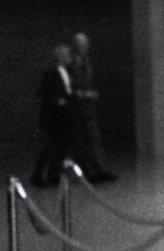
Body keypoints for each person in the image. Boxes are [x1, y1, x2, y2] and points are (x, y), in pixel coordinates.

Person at [68, 32, 118, 182]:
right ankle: (86, 172)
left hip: (89, 108)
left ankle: (99, 168)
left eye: (85, 45)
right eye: (80, 45)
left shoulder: (87, 61)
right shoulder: (70, 63)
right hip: (76, 108)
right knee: (80, 142)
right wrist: (83, 94)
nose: (83, 47)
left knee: (94, 139)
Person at [31, 43, 79, 188]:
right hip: (54, 117)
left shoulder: (69, 72)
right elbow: (43, 92)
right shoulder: (51, 73)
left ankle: (54, 174)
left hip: (66, 116)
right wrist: (57, 100)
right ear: (59, 57)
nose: (69, 57)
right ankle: (37, 175)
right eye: (66, 54)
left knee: (62, 147)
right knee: (49, 147)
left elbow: (70, 91)